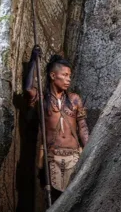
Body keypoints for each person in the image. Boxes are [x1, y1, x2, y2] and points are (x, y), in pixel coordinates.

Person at [24, 45, 89, 202]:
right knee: (55, 198)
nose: (68, 79)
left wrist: (89, 151)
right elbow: (27, 89)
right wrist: (33, 60)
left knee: (73, 198)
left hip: (74, 155)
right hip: (53, 156)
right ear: (53, 75)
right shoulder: (43, 99)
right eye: (65, 75)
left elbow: (83, 128)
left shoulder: (74, 99)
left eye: (69, 76)